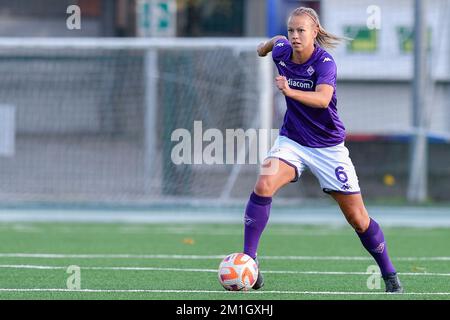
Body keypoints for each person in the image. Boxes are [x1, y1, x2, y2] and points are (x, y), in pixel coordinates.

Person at [243, 7, 403, 293]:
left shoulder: (324, 62)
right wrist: (263, 48)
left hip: (328, 148)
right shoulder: (282, 49)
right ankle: (249, 263)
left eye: (301, 31)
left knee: (358, 218)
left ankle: (389, 273)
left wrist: (289, 90)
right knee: (264, 183)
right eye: (292, 30)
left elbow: (322, 99)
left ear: (314, 32)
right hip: (292, 141)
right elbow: (274, 41)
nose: (294, 36)